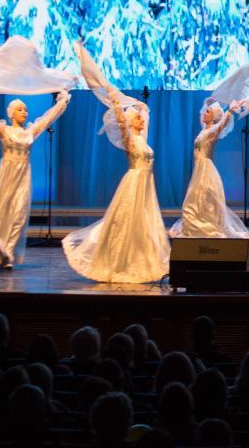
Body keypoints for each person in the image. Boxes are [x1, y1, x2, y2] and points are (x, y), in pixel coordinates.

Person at [63, 46, 171, 284]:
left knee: (144, 224)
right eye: (137, 117)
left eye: (141, 118)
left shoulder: (143, 138)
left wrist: (138, 106)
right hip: (134, 183)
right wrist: (114, 99)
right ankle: (120, 261)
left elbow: (146, 111)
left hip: (146, 186)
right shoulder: (130, 138)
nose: (141, 119)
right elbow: (123, 121)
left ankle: (142, 259)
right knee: (127, 222)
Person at [0, 86, 71, 268]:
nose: (24, 112)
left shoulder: (30, 132)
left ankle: (8, 253)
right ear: (11, 113)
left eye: (25, 109)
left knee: (18, 214)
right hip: (6, 175)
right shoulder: (4, 130)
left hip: (23, 176)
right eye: (20, 109)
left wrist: (62, 102)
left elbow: (48, 118)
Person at [169, 98, 249, 244]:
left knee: (202, 199)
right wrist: (206, 103)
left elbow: (222, 124)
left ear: (213, 117)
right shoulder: (204, 130)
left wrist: (230, 111)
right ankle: (195, 228)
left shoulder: (212, 132)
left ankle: (207, 228)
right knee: (196, 200)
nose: (204, 113)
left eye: (207, 112)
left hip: (205, 170)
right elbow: (203, 116)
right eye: (205, 111)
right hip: (199, 169)